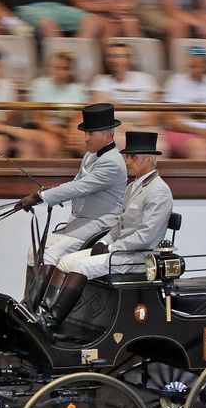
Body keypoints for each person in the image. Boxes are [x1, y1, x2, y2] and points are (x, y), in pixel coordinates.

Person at [37, 131, 174, 330]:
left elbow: (146, 237)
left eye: (132, 157)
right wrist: (105, 241)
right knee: (66, 261)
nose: (127, 161)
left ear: (148, 159)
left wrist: (112, 248)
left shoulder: (159, 192)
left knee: (82, 267)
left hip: (137, 257)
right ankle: (44, 309)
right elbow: (119, 224)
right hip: (120, 251)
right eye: (127, 156)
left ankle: (53, 320)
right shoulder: (132, 187)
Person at [14, 103, 126, 286]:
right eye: (85, 133)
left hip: (97, 226)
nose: (85, 138)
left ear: (107, 134)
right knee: (35, 251)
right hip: (79, 224)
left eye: (90, 134)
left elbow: (81, 187)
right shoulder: (91, 155)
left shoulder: (112, 163)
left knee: (51, 255)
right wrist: (48, 193)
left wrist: (39, 197)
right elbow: (75, 184)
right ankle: (28, 302)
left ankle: (43, 307)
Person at [27, 52, 92, 157]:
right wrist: (63, 132)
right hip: (46, 129)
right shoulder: (39, 85)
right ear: (50, 69)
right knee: (51, 144)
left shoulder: (79, 88)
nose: (61, 72)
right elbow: (39, 119)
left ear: (71, 70)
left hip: (72, 128)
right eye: (57, 68)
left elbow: (80, 116)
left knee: (85, 142)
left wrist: (72, 132)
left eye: (65, 68)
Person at [90, 41, 160, 131]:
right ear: (107, 60)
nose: (118, 60)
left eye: (123, 56)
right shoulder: (100, 81)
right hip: (112, 128)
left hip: (144, 127)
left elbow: (155, 112)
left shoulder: (147, 79)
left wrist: (137, 126)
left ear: (130, 59)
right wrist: (125, 127)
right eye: (113, 56)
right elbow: (98, 113)